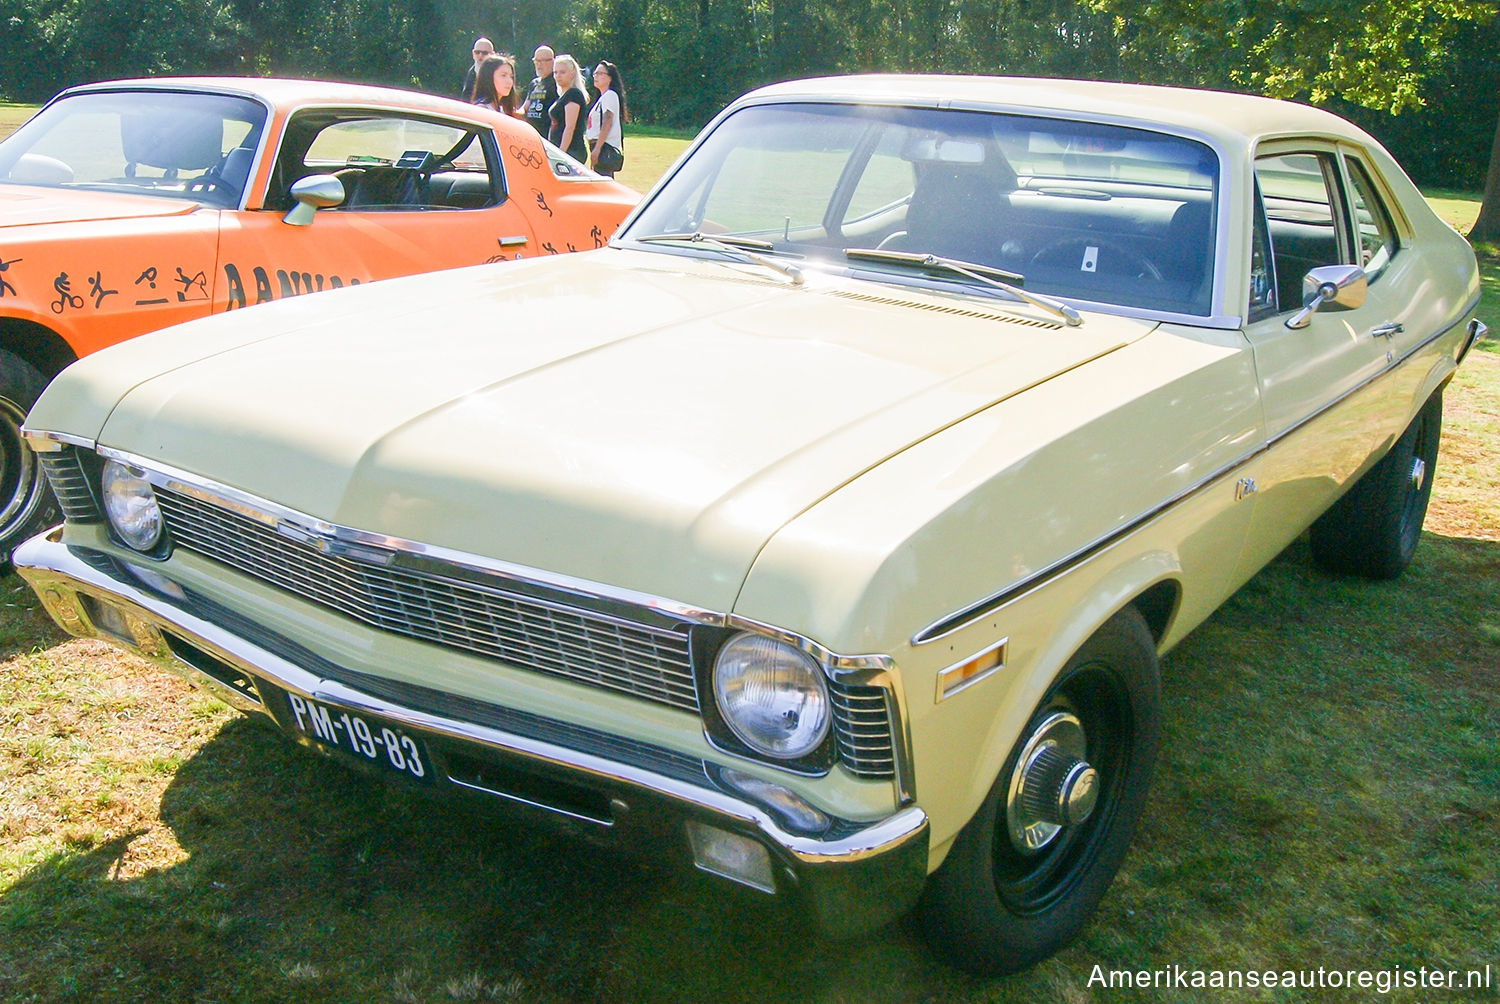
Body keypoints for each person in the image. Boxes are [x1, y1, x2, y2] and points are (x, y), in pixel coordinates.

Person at [586, 61, 627, 178]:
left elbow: (607, 121)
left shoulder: (610, 95)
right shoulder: (602, 97)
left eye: (600, 73)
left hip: (604, 147)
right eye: (595, 74)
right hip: (599, 145)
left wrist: (597, 148)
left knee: (602, 182)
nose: (596, 76)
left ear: (610, 78)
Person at [547, 54, 588, 163]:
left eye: (562, 72)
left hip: (571, 151)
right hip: (559, 149)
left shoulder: (573, 94)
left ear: (572, 73)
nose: (558, 76)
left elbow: (570, 127)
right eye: (555, 72)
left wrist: (561, 154)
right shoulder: (563, 96)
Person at [523, 46, 557, 138]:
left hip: (548, 135)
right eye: (536, 61)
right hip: (532, 135)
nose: (539, 64)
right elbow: (525, 108)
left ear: (552, 62)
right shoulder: (534, 83)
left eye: (542, 61)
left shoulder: (557, 82)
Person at [461, 37, 495, 102]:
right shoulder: (472, 73)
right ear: (473, 54)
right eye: (477, 52)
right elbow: (466, 99)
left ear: (493, 55)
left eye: (485, 53)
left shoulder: (499, 73)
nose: (480, 55)